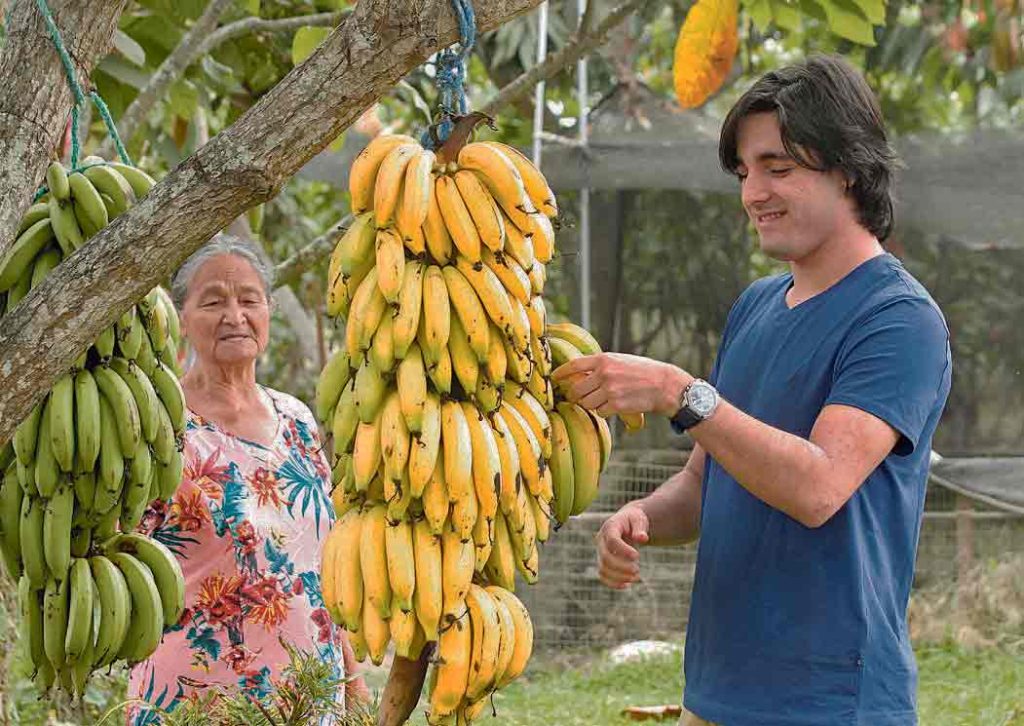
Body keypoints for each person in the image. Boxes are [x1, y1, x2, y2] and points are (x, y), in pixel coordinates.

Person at [554, 55, 951, 725]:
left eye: (779, 168)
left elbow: (818, 488)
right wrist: (644, 517)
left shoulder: (898, 318)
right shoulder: (757, 307)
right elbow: (707, 486)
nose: (753, 193)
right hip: (714, 696)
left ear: (848, 167)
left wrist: (681, 392)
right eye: (744, 172)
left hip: (831, 704)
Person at [126, 235, 368, 723]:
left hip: (309, 692)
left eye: (249, 299)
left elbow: (319, 567)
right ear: (181, 317)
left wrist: (353, 677)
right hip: (198, 695)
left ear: (269, 310)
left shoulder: (295, 417)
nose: (234, 315)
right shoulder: (157, 424)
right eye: (213, 301)